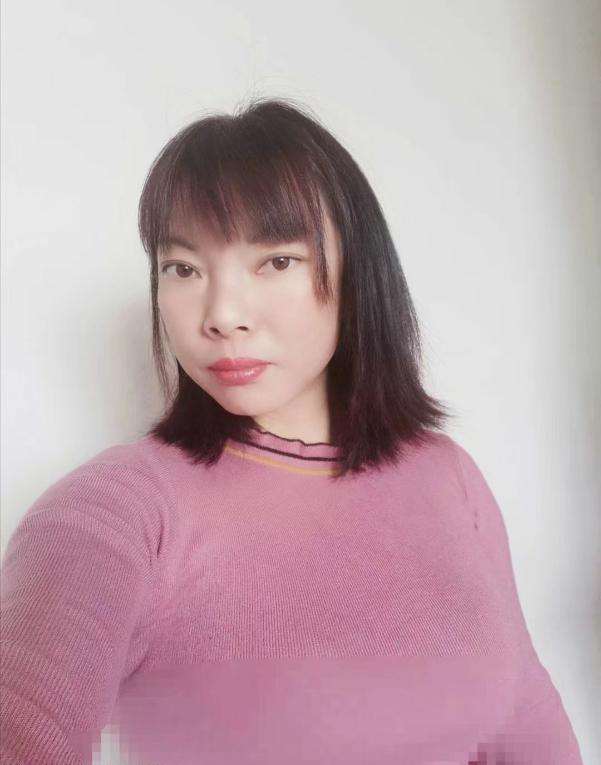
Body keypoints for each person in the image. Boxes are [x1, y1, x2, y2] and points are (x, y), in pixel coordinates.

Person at [0, 96, 583, 764]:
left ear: (358, 271)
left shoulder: (447, 474)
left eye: (275, 261)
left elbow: (523, 714)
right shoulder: (113, 508)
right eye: (183, 268)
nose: (222, 314)